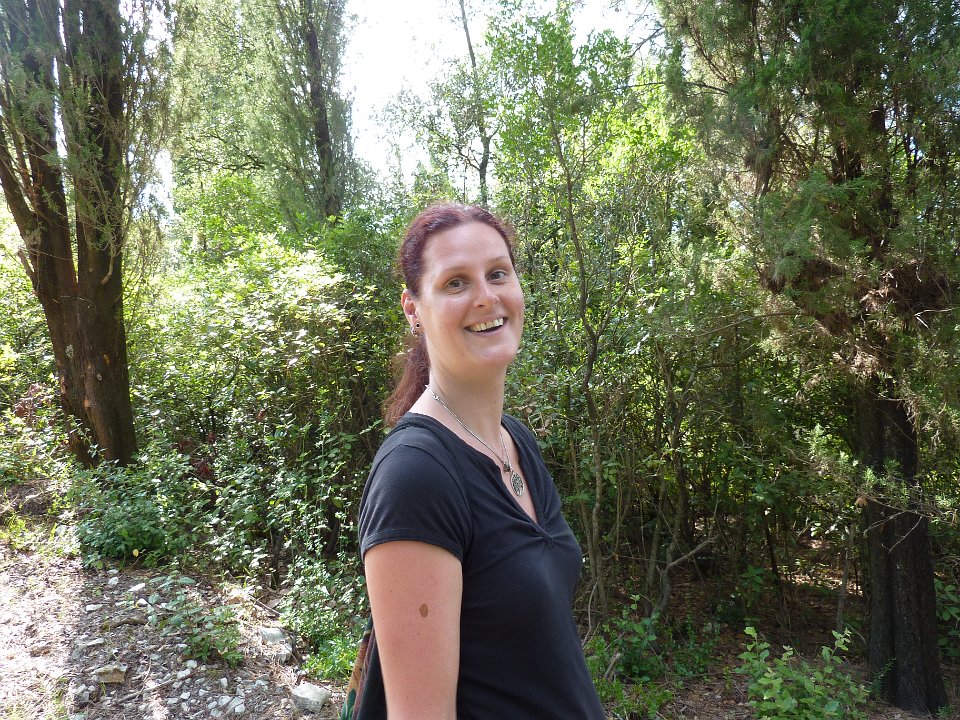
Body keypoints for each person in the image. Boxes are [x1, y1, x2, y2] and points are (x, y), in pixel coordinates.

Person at [355, 203, 606, 719]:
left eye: (497, 273)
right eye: (455, 283)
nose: (486, 297)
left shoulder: (516, 441)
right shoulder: (415, 476)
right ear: (413, 309)